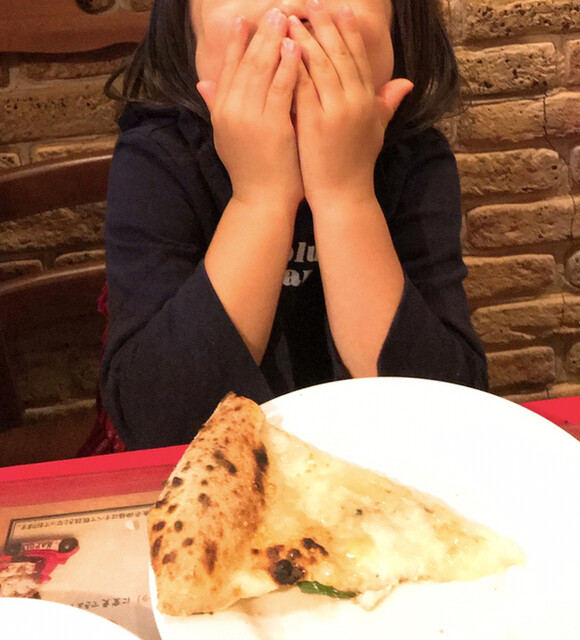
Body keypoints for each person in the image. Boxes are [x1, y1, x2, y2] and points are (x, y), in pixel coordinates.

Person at [99, 0, 487, 450]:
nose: (292, 9)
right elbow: (156, 425)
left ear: (401, 25)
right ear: (185, 30)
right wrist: (260, 200)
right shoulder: (157, 158)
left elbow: (447, 420)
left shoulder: (417, 160)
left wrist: (345, 196)